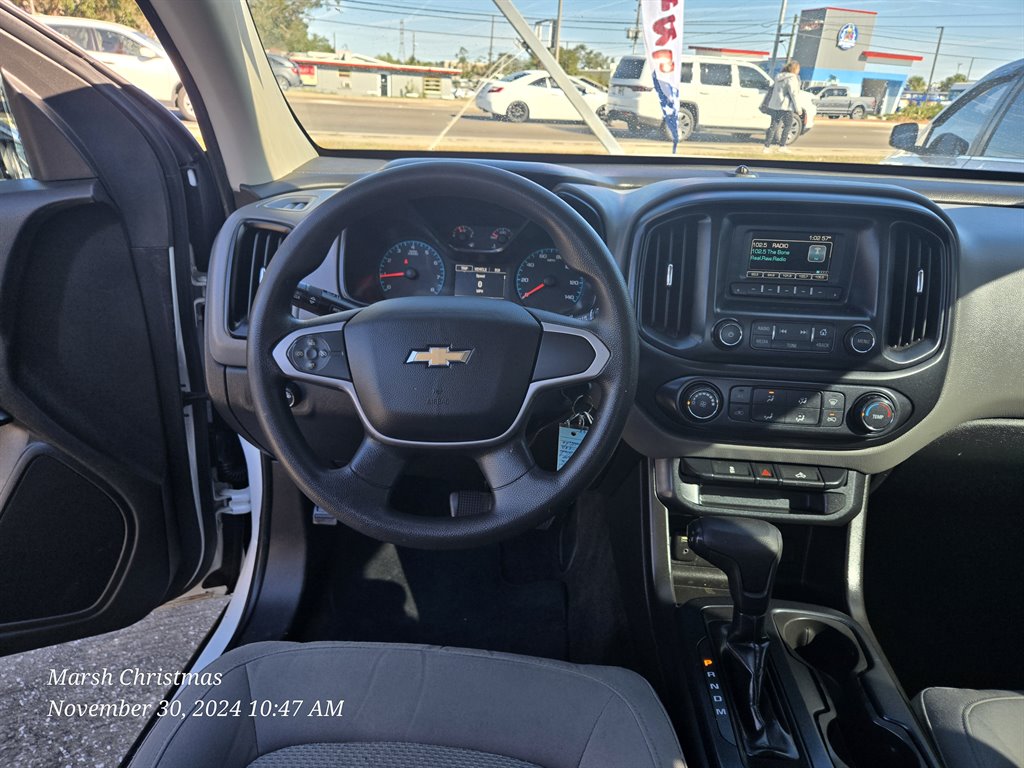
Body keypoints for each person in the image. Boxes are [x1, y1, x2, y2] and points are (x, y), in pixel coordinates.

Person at [764, 61, 801, 154]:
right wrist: (798, 108)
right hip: (786, 106)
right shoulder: (792, 78)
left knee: (773, 126)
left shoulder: (778, 77)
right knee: (788, 126)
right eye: (798, 69)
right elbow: (793, 94)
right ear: (794, 69)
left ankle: (766, 147)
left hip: (775, 105)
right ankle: (782, 146)